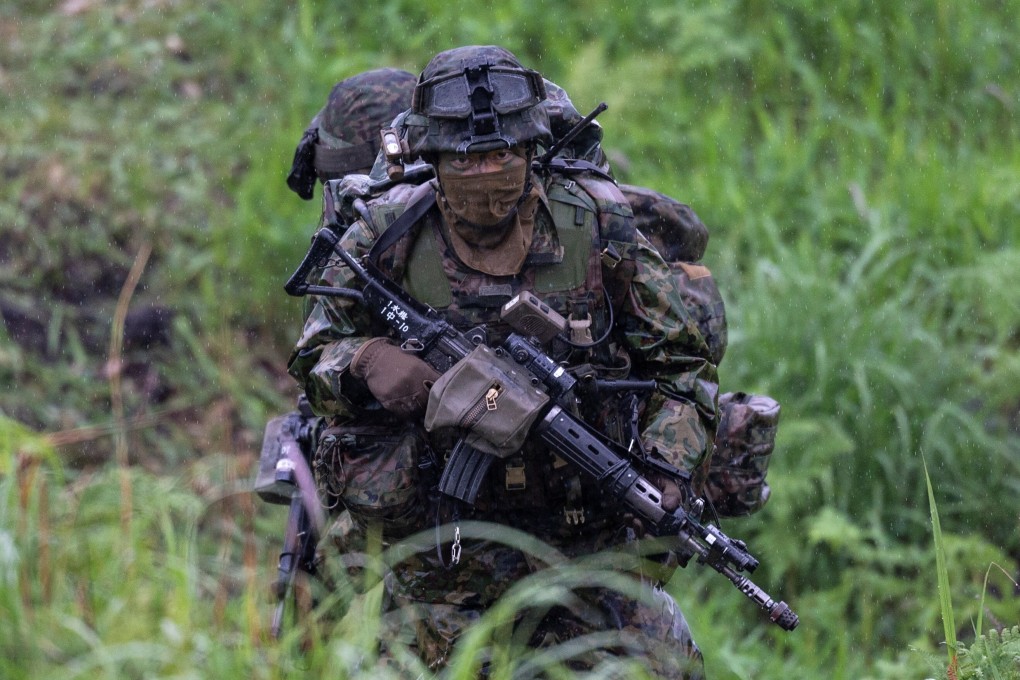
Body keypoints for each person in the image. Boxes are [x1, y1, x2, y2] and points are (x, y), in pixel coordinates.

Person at [288, 45, 718, 677]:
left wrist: (667, 468)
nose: (485, 172)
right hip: (443, 561)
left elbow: (683, 367)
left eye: (501, 156)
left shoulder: (594, 225)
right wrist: (368, 361)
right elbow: (314, 359)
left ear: (530, 150)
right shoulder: (385, 231)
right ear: (433, 158)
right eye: (465, 159)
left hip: (587, 543)